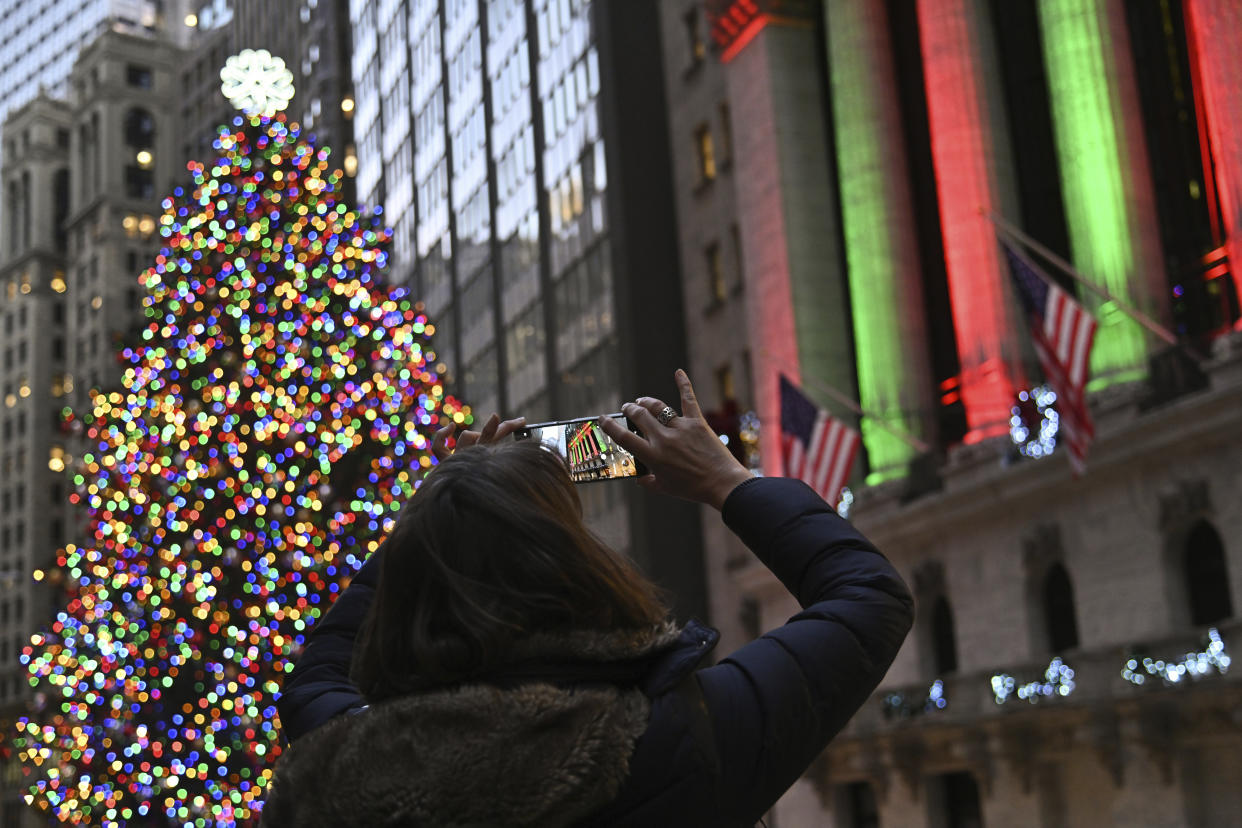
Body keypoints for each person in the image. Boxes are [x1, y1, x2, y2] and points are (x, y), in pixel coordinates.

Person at [265, 370, 913, 827]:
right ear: (575, 566)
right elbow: (868, 596)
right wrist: (727, 481)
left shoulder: (336, 767)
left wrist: (441, 513)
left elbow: (320, 670)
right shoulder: (671, 741)